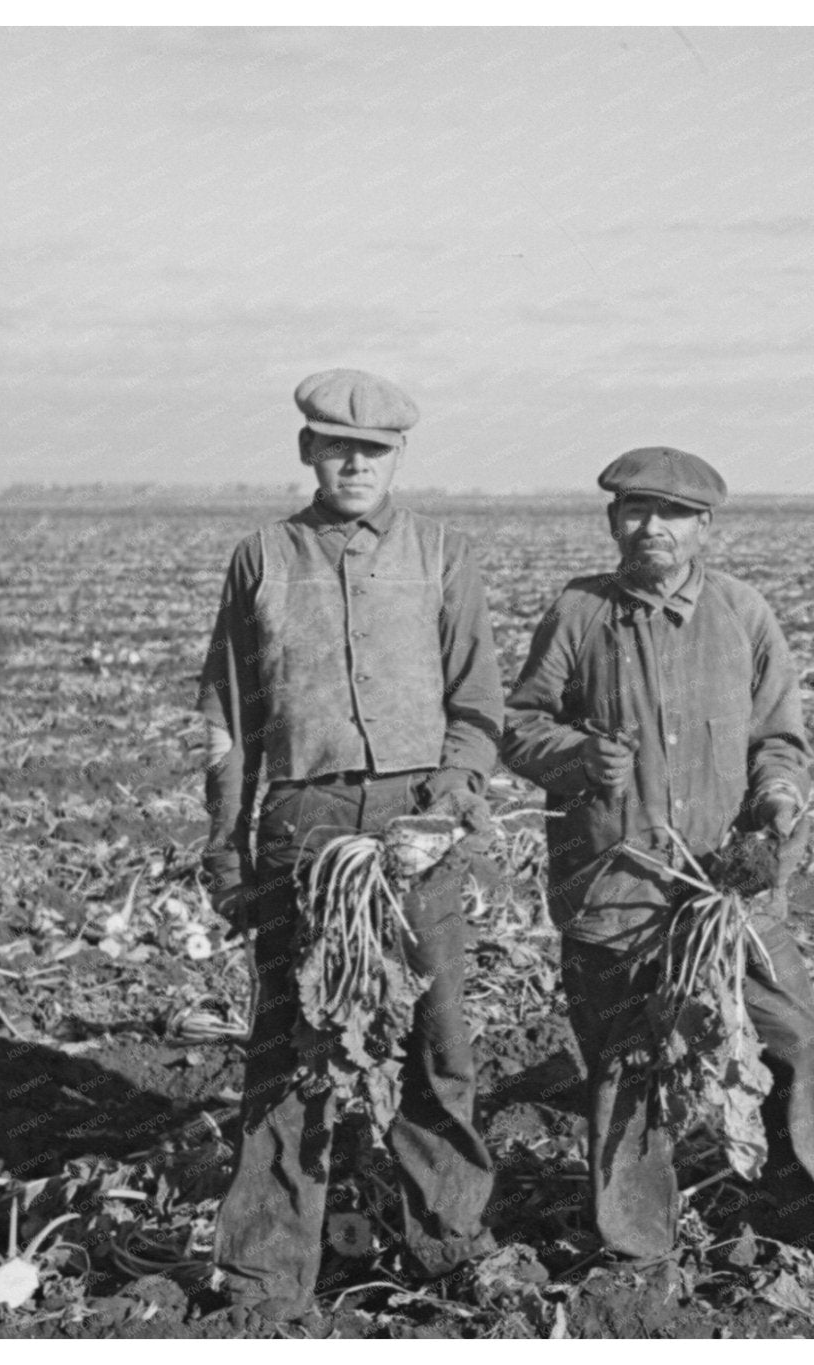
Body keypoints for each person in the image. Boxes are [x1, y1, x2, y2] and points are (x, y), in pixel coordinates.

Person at [496, 446, 814, 1300]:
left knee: (799, 1046)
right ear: (614, 521)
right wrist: (578, 755)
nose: (652, 527)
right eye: (636, 510)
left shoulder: (743, 613)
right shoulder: (579, 614)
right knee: (628, 1069)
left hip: (730, 895)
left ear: (704, 526)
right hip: (618, 892)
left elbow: (781, 739)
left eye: (673, 513)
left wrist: (778, 798)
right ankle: (639, 1257)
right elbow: (517, 726)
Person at [197, 369, 503, 1321]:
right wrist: (227, 845)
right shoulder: (262, 559)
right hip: (307, 820)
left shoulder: (441, 554)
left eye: (374, 451)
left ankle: (447, 1242)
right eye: (338, 448)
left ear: (398, 457)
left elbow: (477, 708)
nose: (356, 465)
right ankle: (264, 1277)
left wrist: (449, 801)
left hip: (417, 819)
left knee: (436, 1039)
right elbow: (229, 720)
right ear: (309, 451)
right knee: (293, 1046)